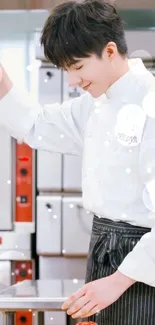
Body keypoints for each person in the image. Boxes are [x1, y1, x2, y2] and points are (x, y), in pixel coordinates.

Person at [0, 0, 155, 324]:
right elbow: (36, 125)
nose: (73, 80)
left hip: (142, 263)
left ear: (110, 51)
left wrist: (119, 280)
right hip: (102, 246)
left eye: (79, 66)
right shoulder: (94, 104)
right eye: (67, 70)